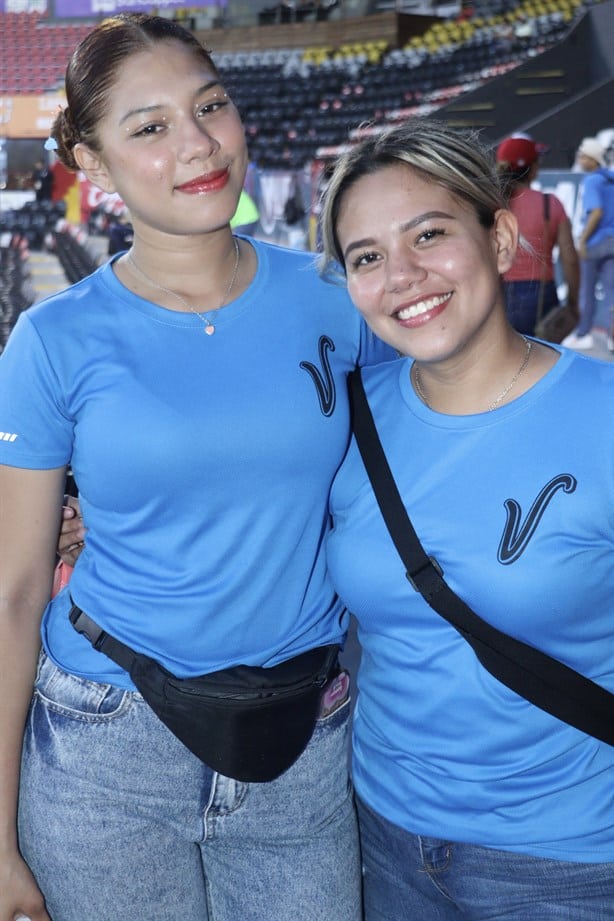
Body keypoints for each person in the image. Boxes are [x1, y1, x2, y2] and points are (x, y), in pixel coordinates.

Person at [0, 14, 392, 921]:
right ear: (91, 165)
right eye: (149, 127)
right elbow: (16, 590)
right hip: (106, 745)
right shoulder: (52, 340)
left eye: (209, 105)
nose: (198, 143)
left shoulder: (340, 297)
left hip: (302, 741)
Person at [318, 118, 614, 919]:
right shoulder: (341, 422)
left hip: (571, 861)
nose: (403, 275)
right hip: (381, 835)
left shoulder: (604, 416)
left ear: (504, 236)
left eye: (430, 235)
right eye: (368, 257)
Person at [495, 134, 579, 336]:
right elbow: (570, 259)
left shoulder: (491, 205)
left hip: (497, 294)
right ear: (532, 169)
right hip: (541, 296)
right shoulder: (550, 204)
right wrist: (573, 303)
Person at [563, 136, 614, 351]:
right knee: (612, 291)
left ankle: (584, 333)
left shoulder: (592, 180)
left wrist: (583, 239)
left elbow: (597, 211)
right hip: (612, 240)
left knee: (587, 290)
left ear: (593, 159)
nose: (580, 159)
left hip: (594, 242)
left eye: (584, 156)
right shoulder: (610, 178)